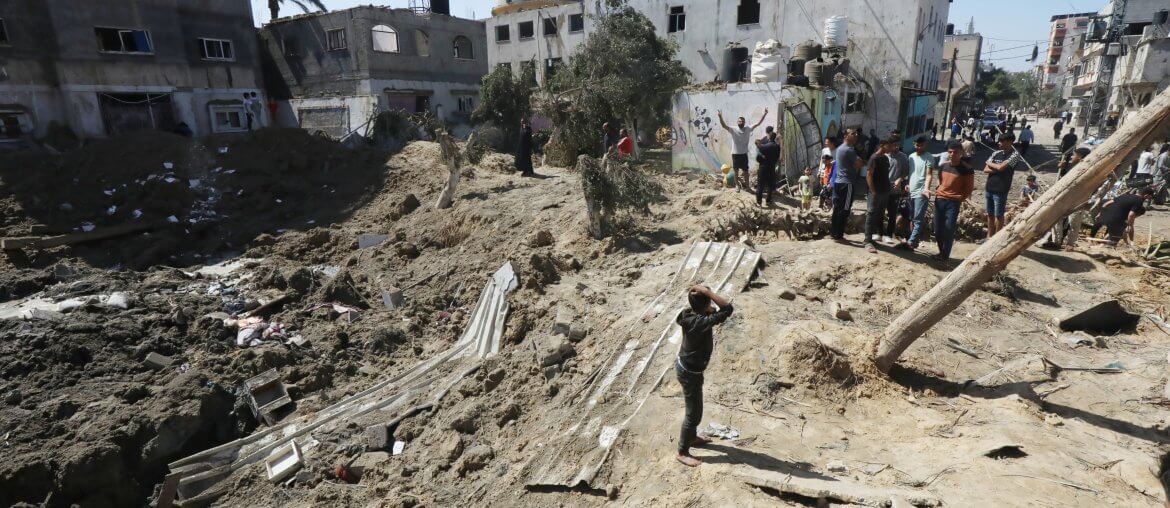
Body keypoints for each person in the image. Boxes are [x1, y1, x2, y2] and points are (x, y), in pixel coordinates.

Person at [674, 285, 733, 468]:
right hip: (690, 374)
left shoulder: (688, 314)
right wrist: (707, 293)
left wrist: (704, 302)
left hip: (688, 369)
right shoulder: (700, 323)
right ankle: (682, 451)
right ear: (706, 303)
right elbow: (727, 309)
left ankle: (691, 437)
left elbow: (715, 310)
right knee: (693, 415)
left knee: (695, 411)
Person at [931, 140, 975, 262]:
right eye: (950, 152)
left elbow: (969, 188)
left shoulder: (967, 169)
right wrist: (939, 190)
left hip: (953, 202)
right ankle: (941, 252)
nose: (952, 154)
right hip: (940, 200)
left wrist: (960, 198)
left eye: (955, 152)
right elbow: (939, 180)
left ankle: (945, 256)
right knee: (938, 229)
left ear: (961, 153)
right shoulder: (943, 166)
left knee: (949, 229)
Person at [982, 133, 1024, 240]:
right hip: (989, 187)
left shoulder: (1015, 155)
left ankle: (996, 239)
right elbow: (985, 169)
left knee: (999, 215)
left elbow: (999, 167)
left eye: (1001, 141)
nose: (999, 143)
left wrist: (992, 164)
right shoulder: (996, 153)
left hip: (1001, 189)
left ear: (1009, 142)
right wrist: (998, 167)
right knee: (990, 214)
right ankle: (989, 237)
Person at [718, 109, 768, 193]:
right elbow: (724, 126)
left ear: (744, 122)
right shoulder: (733, 129)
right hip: (735, 154)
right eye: (739, 121)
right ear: (737, 122)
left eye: (742, 121)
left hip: (744, 154)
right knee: (736, 171)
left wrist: (765, 114)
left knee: (745, 171)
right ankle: (737, 186)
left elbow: (758, 124)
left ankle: (748, 187)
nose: (740, 122)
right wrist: (720, 116)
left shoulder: (748, 128)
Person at [831, 128, 865, 241]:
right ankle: (839, 234)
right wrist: (860, 156)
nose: (856, 135)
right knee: (845, 209)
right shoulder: (849, 150)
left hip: (838, 182)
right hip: (847, 183)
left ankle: (834, 232)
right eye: (853, 133)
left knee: (837, 208)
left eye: (856, 133)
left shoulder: (840, 148)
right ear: (846, 136)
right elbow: (859, 164)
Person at [863, 135, 895, 253]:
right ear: (882, 145)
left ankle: (872, 238)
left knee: (879, 215)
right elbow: (869, 175)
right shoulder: (874, 158)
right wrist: (873, 191)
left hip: (885, 191)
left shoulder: (885, 158)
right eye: (890, 146)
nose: (892, 148)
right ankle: (867, 241)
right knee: (871, 214)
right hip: (875, 193)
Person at [903, 136, 935, 250]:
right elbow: (910, 172)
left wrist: (926, 188)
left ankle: (910, 242)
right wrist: (907, 183)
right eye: (917, 145)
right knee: (912, 218)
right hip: (911, 191)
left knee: (917, 219)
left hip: (921, 192)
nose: (919, 147)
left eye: (921, 145)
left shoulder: (929, 157)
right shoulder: (911, 156)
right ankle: (914, 242)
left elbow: (929, 174)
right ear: (914, 144)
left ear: (925, 145)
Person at [885, 137, 910, 243]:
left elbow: (906, 173)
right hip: (883, 189)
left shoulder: (903, 157)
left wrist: (900, 179)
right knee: (879, 212)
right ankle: (878, 233)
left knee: (892, 214)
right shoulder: (884, 156)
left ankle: (889, 235)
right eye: (894, 145)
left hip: (895, 191)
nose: (896, 147)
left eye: (897, 145)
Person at [755, 130, 782, 207]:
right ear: (775, 138)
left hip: (763, 167)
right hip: (772, 167)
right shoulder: (777, 147)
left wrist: (762, 161)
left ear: (769, 137)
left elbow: (758, 158)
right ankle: (768, 201)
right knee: (770, 185)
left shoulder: (764, 146)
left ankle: (759, 201)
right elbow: (777, 158)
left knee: (760, 185)